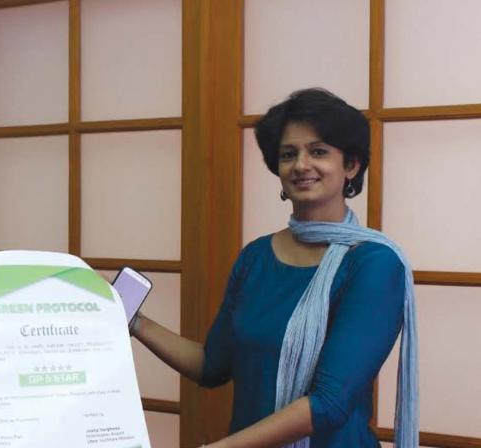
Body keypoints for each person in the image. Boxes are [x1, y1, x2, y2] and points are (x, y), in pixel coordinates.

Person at [131, 89, 418, 447]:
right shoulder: (256, 257)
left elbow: (327, 404)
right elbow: (211, 365)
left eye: (318, 151)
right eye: (288, 154)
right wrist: (134, 321)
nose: (300, 165)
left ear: (351, 166)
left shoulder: (374, 263)